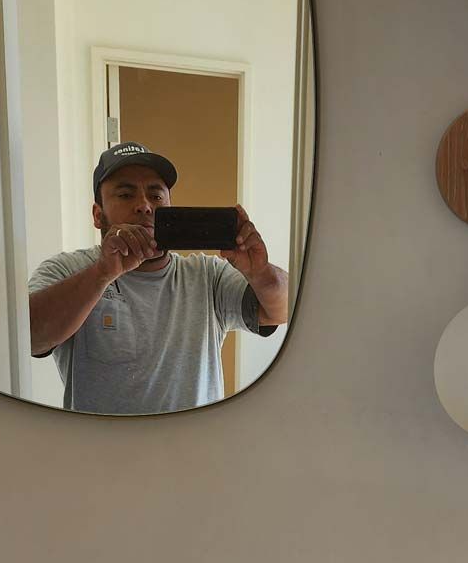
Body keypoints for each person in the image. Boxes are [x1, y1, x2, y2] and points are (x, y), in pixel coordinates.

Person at [28, 142, 290, 414]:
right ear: (98, 214)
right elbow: (31, 336)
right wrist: (102, 273)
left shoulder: (208, 276)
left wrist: (259, 272)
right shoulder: (68, 269)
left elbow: (283, 310)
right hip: (99, 453)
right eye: (126, 195)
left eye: (155, 196)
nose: (144, 206)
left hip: (194, 452)